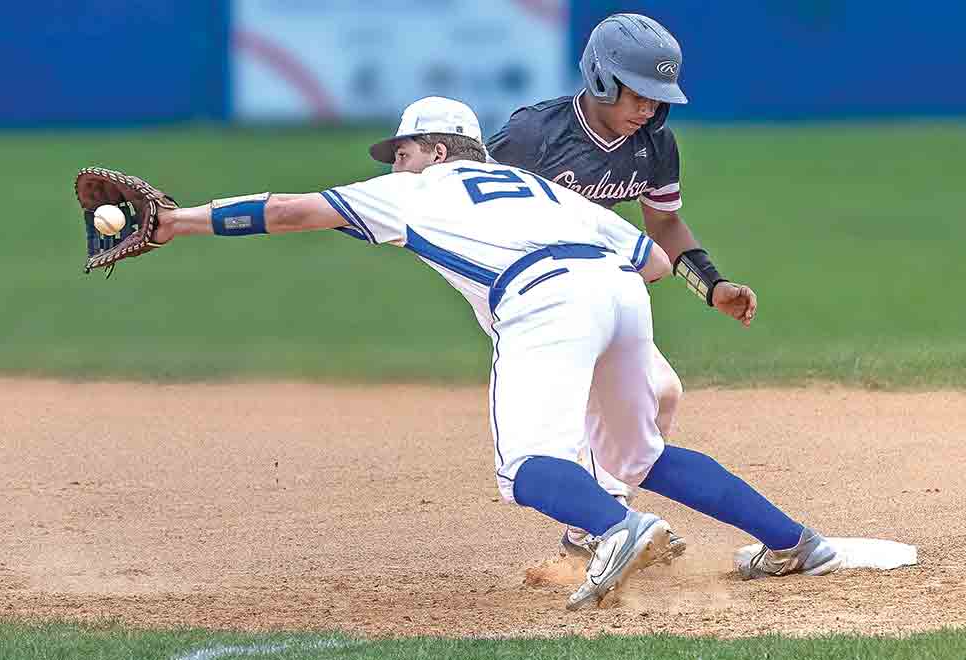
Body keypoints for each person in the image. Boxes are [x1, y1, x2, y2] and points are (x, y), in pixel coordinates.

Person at [149, 97, 839, 609]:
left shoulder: (415, 190)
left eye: (404, 150)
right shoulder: (540, 187)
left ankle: (617, 527)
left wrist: (175, 223)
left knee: (526, 468)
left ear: (439, 150)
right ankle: (793, 542)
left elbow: (290, 211)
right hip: (618, 291)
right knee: (637, 454)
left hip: (542, 300)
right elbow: (655, 261)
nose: (396, 163)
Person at [485, 13, 758, 557]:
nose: (649, 109)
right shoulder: (533, 135)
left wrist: (712, 285)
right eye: (639, 94)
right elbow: (469, 197)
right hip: (529, 294)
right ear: (602, 78)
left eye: (660, 98)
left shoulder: (655, 144)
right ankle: (597, 520)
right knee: (567, 416)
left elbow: (664, 224)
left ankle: (594, 523)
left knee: (662, 392)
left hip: (593, 291)